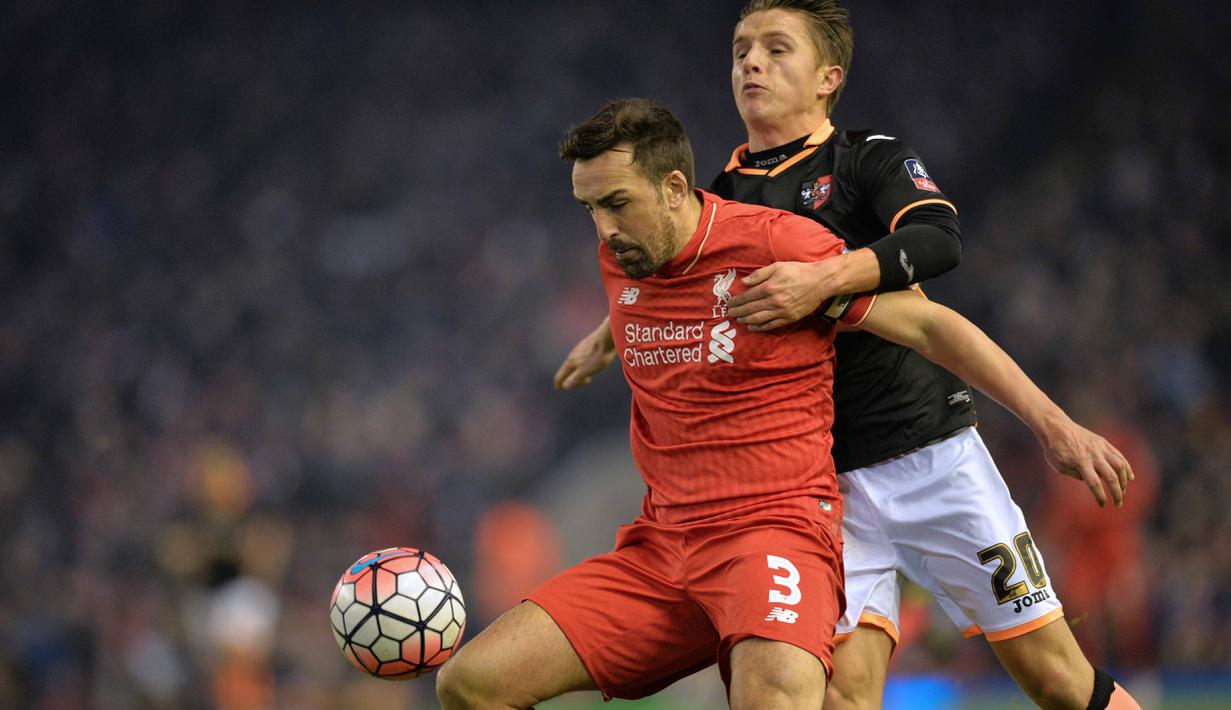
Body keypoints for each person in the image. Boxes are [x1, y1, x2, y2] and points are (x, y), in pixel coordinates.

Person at [439, 99, 1128, 709]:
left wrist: (1053, 425)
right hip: (660, 549)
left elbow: (927, 324)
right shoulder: (626, 255)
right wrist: (605, 341)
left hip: (771, 536)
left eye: (615, 203)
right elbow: (660, 303)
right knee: (470, 682)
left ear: (675, 187)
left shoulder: (777, 248)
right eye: (588, 208)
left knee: (1052, 683)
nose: (602, 229)